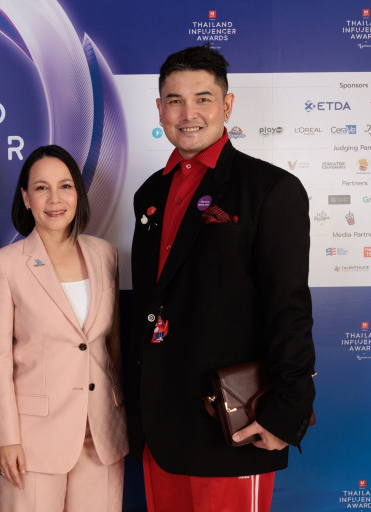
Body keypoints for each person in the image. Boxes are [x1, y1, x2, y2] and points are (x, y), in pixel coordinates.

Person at [127, 45, 316, 511]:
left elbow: (288, 309)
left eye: (203, 99)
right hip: (161, 424)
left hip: (233, 422)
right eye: (175, 101)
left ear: (227, 105)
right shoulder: (150, 193)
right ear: (159, 109)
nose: (188, 113)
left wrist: (285, 412)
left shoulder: (271, 189)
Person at [0, 145, 128, 511]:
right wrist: (5, 439)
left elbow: (113, 346)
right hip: (33, 440)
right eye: (41, 188)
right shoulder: (4, 265)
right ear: (25, 197)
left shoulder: (105, 255)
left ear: (78, 192)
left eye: (65, 186)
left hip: (102, 434)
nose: (54, 199)